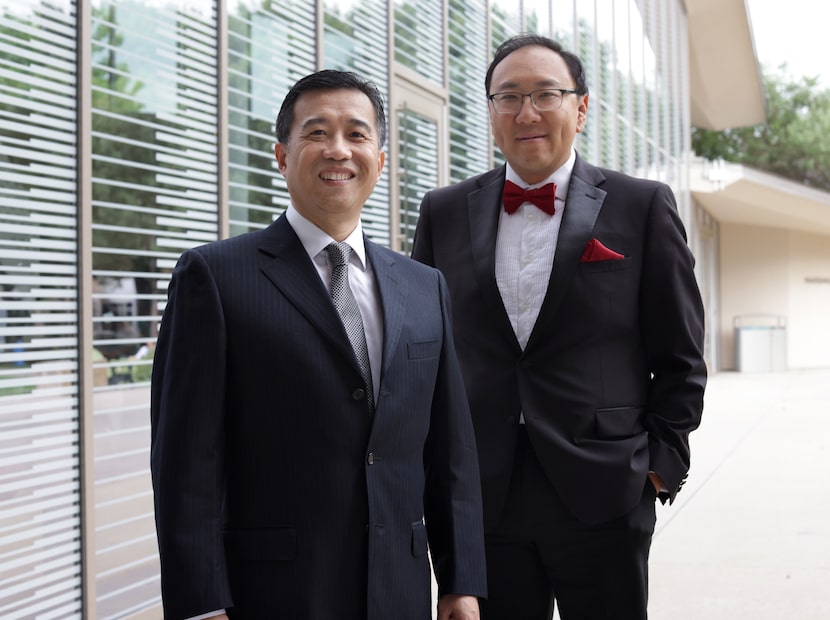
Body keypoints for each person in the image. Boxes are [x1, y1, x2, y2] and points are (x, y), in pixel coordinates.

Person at [151, 69, 486, 620]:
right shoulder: (215, 276)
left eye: (356, 134)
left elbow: (450, 451)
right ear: (281, 156)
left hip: (397, 592)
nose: (338, 150)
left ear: (380, 158)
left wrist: (460, 581)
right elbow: (186, 462)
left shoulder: (425, 287)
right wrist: (201, 604)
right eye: (316, 133)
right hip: (274, 593)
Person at [411, 35, 706, 620]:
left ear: (581, 107)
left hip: (604, 492)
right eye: (509, 97)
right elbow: (424, 352)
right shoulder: (442, 211)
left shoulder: (641, 205)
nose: (526, 113)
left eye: (546, 94)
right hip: (483, 498)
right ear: (490, 111)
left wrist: (656, 468)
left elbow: (681, 354)